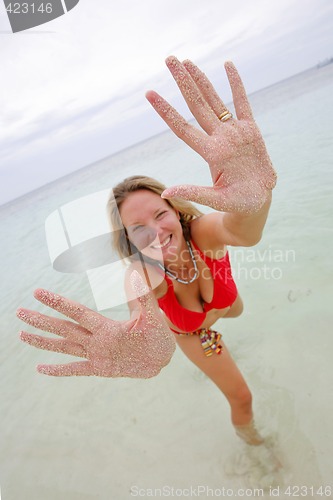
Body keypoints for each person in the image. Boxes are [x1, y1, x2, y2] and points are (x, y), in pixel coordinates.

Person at [17, 56, 277, 446]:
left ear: (177, 210)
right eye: (138, 228)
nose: (156, 232)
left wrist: (259, 199)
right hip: (191, 332)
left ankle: (221, 328)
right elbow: (140, 316)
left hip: (228, 299)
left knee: (237, 310)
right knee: (241, 397)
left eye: (160, 215)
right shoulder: (142, 278)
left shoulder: (200, 233)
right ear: (128, 239)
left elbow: (242, 231)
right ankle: (262, 455)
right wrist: (144, 347)